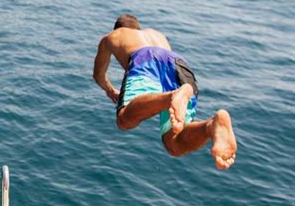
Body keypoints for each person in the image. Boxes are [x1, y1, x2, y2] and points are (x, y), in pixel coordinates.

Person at [93, 14, 237, 170]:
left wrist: (110, 90)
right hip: (179, 65)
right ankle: (211, 125)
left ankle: (172, 97)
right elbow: (163, 61)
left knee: (124, 120)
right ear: (138, 28)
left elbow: (98, 74)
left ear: (118, 28)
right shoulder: (156, 34)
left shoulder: (113, 36)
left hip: (145, 60)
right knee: (174, 144)